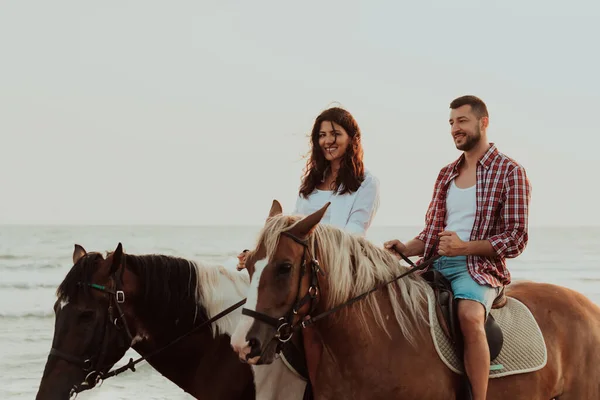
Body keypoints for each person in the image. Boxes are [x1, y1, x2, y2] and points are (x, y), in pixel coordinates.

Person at [384, 95, 531, 400]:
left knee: (468, 316)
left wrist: (464, 248)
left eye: (462, 121)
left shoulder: (510, 172)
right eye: (451, 122)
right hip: (435, 264)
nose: (455, 128)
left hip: (478, 269)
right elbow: (432, 233)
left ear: (483, 122)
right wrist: (405, 248)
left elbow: (516, 237)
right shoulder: (446, 174)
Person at [237, 106, 380, 270]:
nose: (327, 141)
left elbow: (354, 234)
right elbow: (294, 226)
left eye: (336, 134)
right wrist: (258, 254)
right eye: (322, 135)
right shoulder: (311, 181)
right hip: (304, 265)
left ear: (352, 139)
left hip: (338, 269)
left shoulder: (366, 182)